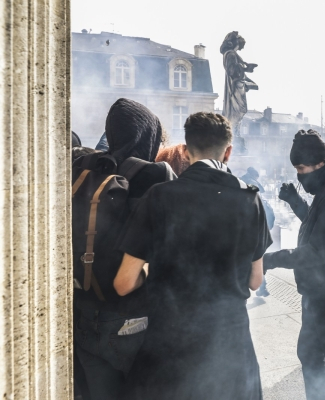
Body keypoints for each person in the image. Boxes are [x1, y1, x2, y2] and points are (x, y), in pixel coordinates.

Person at [114, 112, 271, 399]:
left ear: (185, 151)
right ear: (228, 152)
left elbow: (123, 283)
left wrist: (154, 270)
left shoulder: (158, 196)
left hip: (170, 345)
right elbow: (255, 281)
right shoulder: (250, 199)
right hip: (230, 347)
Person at [73, 98, 176, 400]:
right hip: (132, 318)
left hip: (83, 310)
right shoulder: (155, 175)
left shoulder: (82, 167)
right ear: (149, 136)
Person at [264, 129, 325, 400]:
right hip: (324, 289)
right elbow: (321, 228)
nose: (299, 174)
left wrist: (269, 260)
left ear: (319, 163)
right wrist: (296, 201)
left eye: (300, 167)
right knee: (311, 354)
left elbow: (317, 251)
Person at [240, 166, 275, 297]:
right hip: (253, 225)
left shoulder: (240, 181)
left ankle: (259, 287)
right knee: (257, 257)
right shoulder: (253, 184)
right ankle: (262, 287)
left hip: (243, 225)